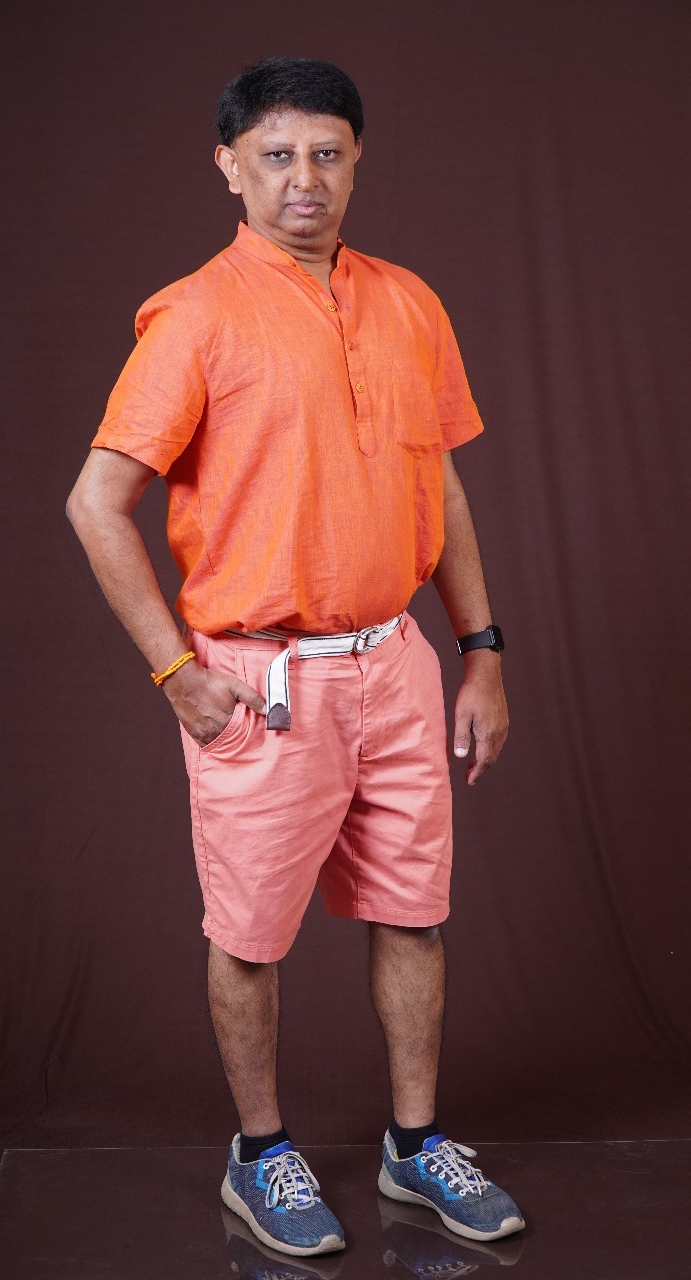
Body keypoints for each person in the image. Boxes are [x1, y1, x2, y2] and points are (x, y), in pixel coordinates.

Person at [66, 55, 524, 1259]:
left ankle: (414, 1142)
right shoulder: (197, 314)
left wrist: (480, 650)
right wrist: (176, 671)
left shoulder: (410, 302)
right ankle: (260, 1152)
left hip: (397, 662)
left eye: (326, 152)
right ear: (229, 166)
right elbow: (96, 502)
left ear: (358, 160)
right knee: (250, 934)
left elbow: (441, 487)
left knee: (414, 913)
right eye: (276, 155)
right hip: (261, 680)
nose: (303, 177)